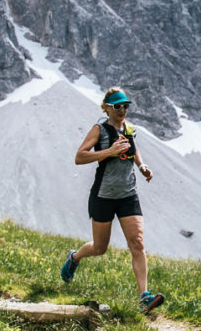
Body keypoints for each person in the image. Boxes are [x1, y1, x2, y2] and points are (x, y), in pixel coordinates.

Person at [59, 88, 162, 312]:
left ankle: (144, 296)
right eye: (117, 106)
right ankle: (75, 257)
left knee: (137, 243)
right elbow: (80, 157)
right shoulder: (100, 130)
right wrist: (109, 152)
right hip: (103, 196)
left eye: (125, 106)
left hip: (128, 195)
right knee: (99, 248)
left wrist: (142, 166)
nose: (122, 110)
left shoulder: (130, 129)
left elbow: (133, 150)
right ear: (106, 107)